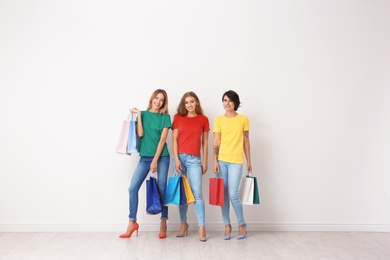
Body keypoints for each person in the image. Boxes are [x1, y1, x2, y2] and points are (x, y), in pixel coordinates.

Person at [119, 89, 171, 239]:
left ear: (164, 103)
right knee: (132, 188)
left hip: (161, 157)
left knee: (162, 188)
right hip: (145, 157)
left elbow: (162, 141)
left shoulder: (165, 117)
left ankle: (163, 222)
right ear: (152, 99)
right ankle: (132, 222)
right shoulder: (143, 114)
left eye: (161, 100)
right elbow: (140, 134)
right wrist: (140, 115)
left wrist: (155, 161)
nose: (158, 102)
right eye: (156, 98)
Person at [213, 90, 252, 240]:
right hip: (222, 161)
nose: (227, 103)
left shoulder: (243, 119)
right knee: (223, 195)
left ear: (235, 102)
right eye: (224, 100)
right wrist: (215, 161)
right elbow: (216, 142)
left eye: (229, 100)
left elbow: (246, 141)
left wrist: (249, 160)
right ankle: (227, 225)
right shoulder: (218, 120)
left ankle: (241, 225)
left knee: (233, 194)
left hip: (236, 160)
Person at [172, 91, 209, 242]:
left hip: (194, 160)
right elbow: (174, 140)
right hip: (180, 159)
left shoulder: (203, 119)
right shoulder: (178, 118)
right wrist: (176, 159)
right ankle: (183, 224)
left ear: (197, 103)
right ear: (183, 104)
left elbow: (205, 142)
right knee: (182, 194)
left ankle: (202, 228)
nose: (189, 105)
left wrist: (205, 162)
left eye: (192, 102)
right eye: (187, 102)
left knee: (197, 195)